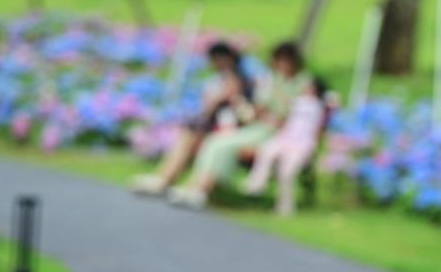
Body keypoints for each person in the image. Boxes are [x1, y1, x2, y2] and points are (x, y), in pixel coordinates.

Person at [167, 41, 308, 209]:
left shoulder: (304, 84)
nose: (282, 65)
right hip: (259, 127)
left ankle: (202, 189)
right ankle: (196, 186)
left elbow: (298, 114)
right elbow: (259, 109)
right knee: (215, 141)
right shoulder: (273, 80)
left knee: (221, 144)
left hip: (280, 134)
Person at [130, 41, 253, 196]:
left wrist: (227, 99)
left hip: (232, 129)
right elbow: (208, 109)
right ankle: (165, 178)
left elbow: (240, 112)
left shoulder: (240, 81)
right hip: (215, 126)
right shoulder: (220, 80)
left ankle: (191, 185)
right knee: (188, 134)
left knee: (203, 139)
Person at [244, 76, 327, 216]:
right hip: (286, 139)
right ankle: (257, 185)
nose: (304, 88)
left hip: (302, 145)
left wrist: (273, 87)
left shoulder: (313, 105)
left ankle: (285, 206)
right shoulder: (305, 103)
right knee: (267, 152)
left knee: (286, 172)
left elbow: (286, 100)